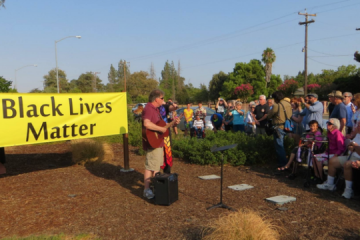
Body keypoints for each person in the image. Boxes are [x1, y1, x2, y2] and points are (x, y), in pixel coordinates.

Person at [142, 90, 179, 199]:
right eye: (162, 98)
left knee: (156, 166)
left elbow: (161, 125)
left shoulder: (156, 109)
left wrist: (172, 124)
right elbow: (146, 123)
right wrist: (161, 129)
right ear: (156, 99)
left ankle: (156, 187)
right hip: (153, 141)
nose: (163, 100)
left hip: (158, 141)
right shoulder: (149, 108)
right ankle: (146, 190)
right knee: (150, 167)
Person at [316, 122, 360, 199]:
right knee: (332, 161)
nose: (356, 127)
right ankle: (330, 184)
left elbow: (356, 147)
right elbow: (350, 145)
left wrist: (354, 145)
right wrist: (350, 146)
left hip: (357, 159)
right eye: (357, 125)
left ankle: (348, 190)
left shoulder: (338, 133)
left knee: (347, 164)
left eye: (359, 125)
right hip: (350, 155)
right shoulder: (358, 135)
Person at [267, 91, 292, 167]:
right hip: (287, 126)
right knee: (285, 145)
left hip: (279, 127)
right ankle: (288, 162)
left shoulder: (277, 105)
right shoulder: (288, 104)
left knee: (279, 146)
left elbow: (269, 116)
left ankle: (282, 164)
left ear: (276, 98)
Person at [159, 99, 178, 173]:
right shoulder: (153, 107)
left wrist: (174, 105)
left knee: (167, 151)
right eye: (161, 98)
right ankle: (156, 174)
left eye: (163, 98)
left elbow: (172, 108)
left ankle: (167, 173)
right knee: (159, 152)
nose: (163, 100)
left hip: (166, 132)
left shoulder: (165, 107)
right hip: (156, 134)